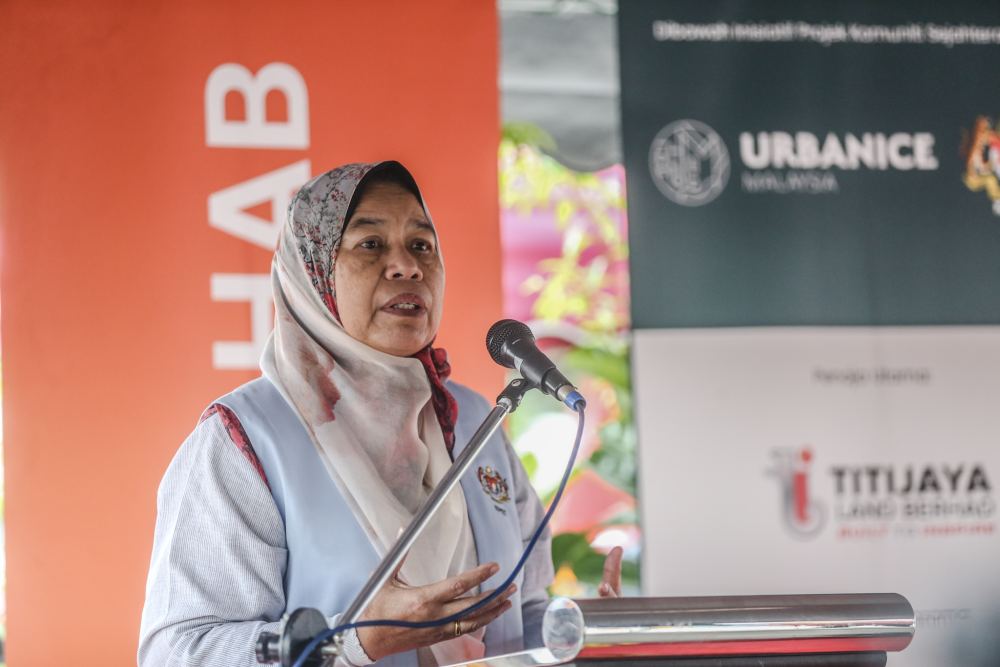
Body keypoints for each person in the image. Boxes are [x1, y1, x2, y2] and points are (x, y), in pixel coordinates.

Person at [138, 161, 623, 667]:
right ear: (313, 271)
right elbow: (180, 652)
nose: (407, 267)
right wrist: (354, 644)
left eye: (422, 245)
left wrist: (582, 635)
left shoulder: (480, 419)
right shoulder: (247, 440)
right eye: (370, 245)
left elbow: (523, 615)